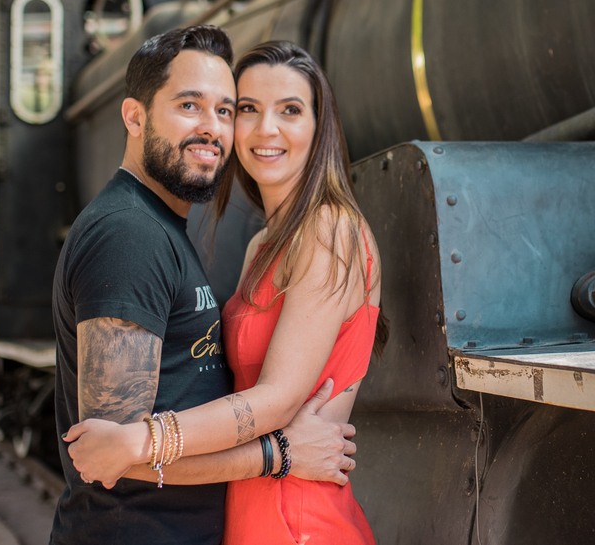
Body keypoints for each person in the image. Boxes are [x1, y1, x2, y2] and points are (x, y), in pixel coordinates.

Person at [66, 40, 383, 544]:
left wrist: (142, 440)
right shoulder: (262, 244)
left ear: (319, 128)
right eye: (249, 109)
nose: (266, 129)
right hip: (249, 504)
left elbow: (277, 399)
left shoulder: (329, 229)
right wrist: (273, 454)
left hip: (296, 518)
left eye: (290, 110)